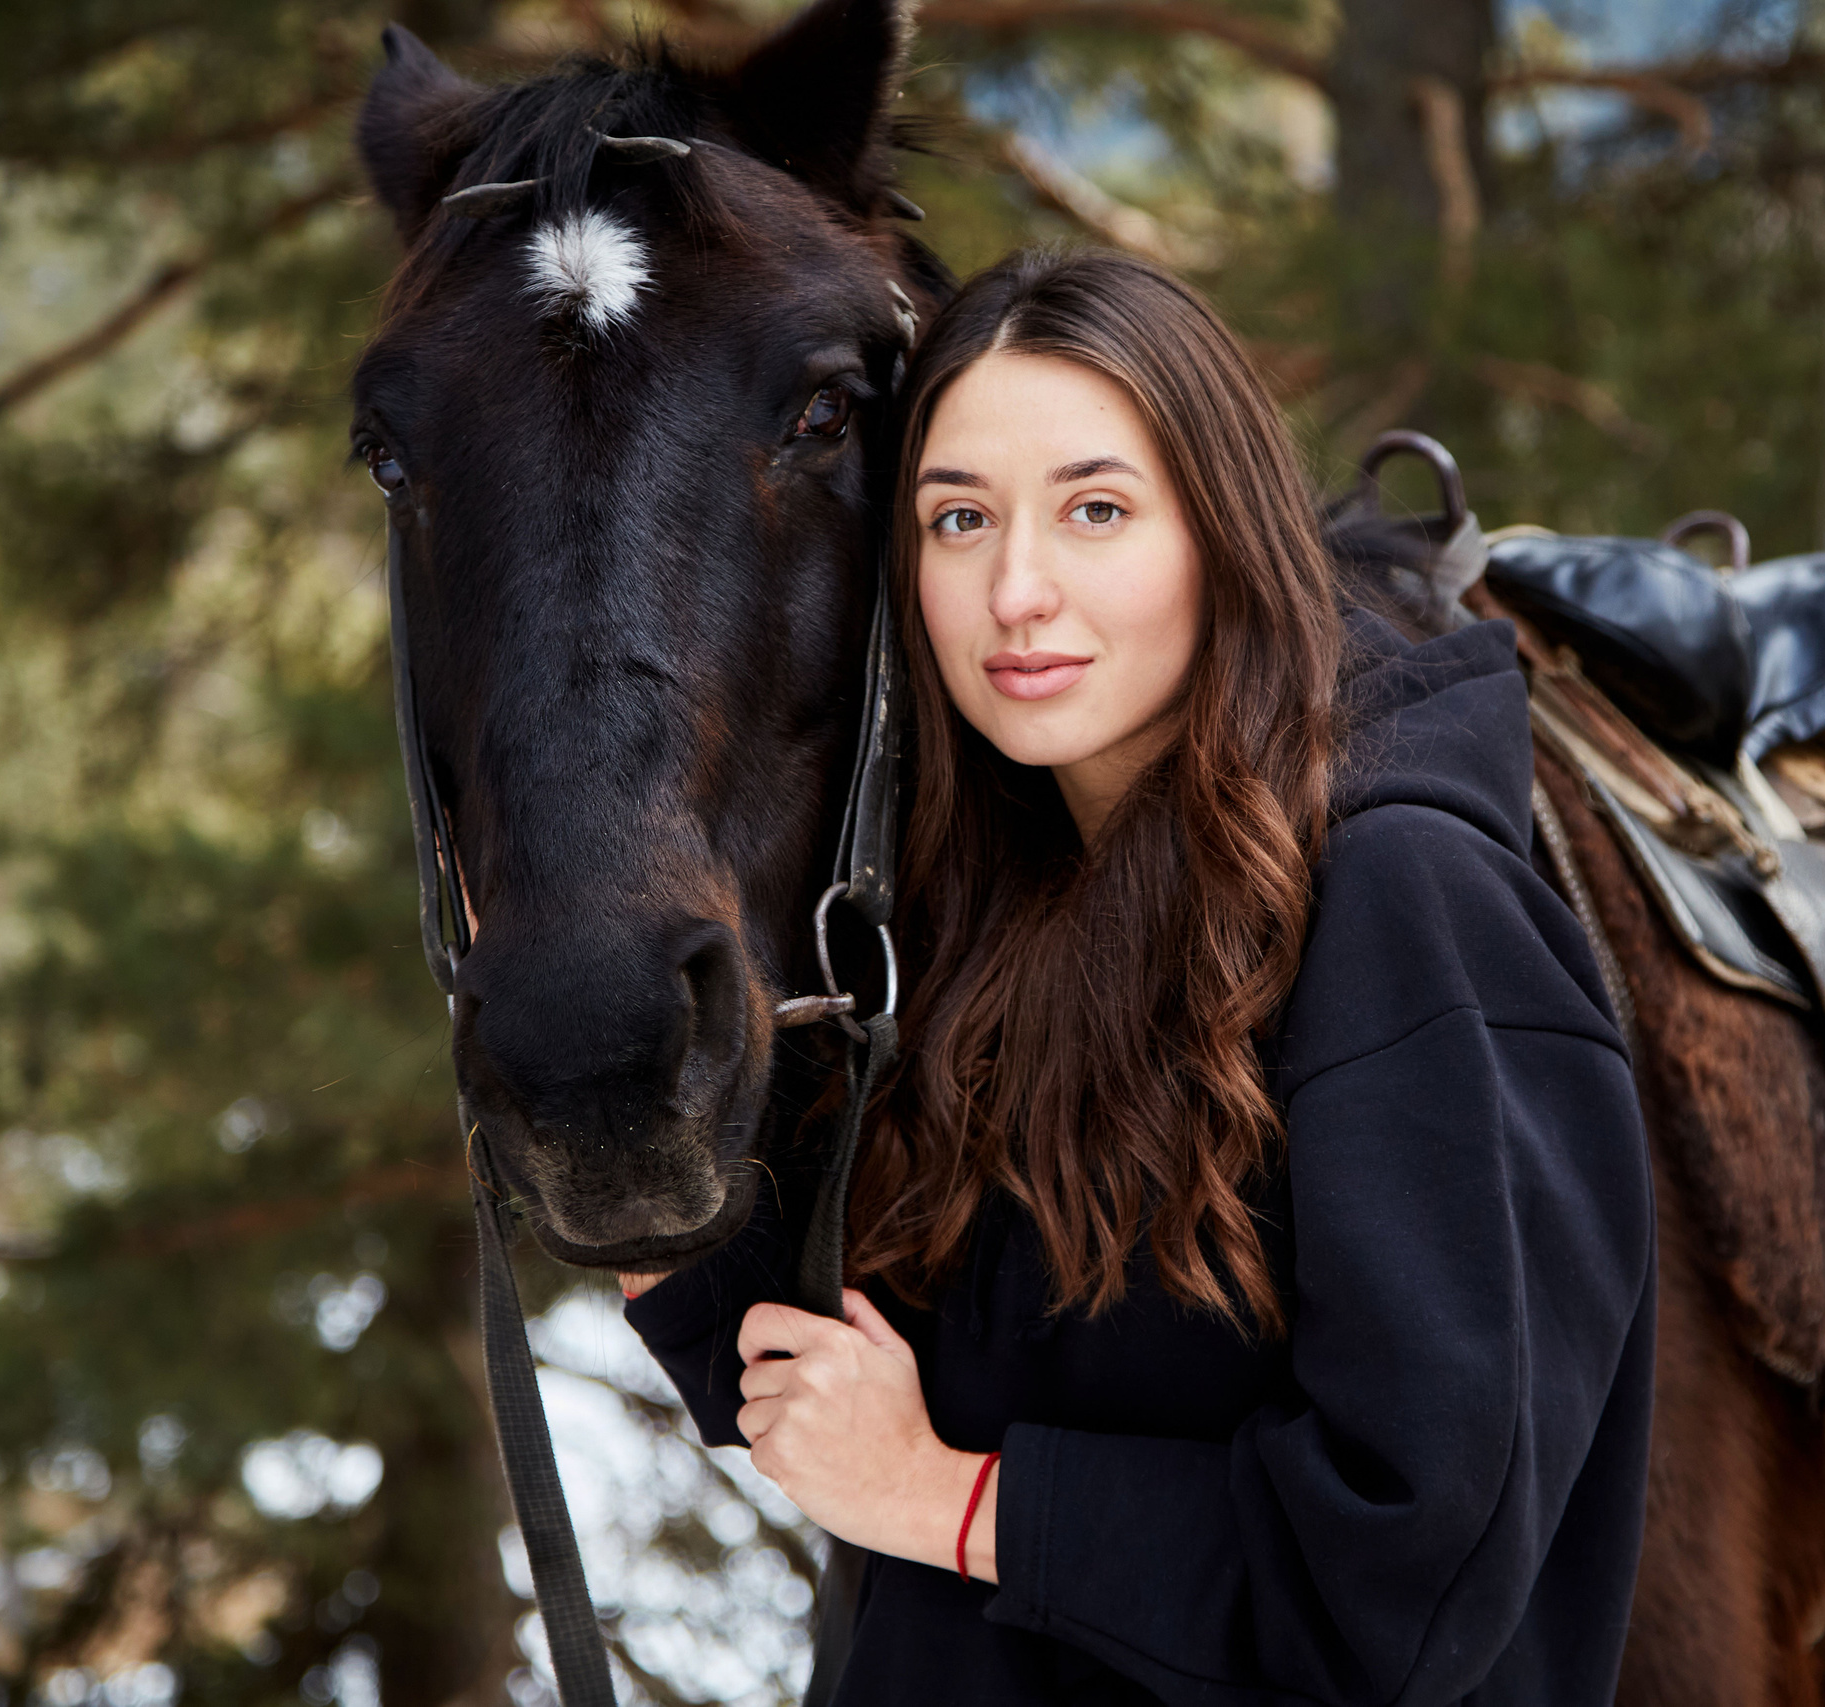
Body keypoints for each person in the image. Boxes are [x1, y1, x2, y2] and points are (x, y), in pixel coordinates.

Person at [623, 248, 1655, 1706]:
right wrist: (604, 1113)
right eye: (959, 519)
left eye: (1096, 511)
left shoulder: (1408, 909)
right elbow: (844, 1377)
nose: (1016, 591)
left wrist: (945, 1501)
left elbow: (1405, 1578)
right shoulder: (980, 899)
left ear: (1223, 534)